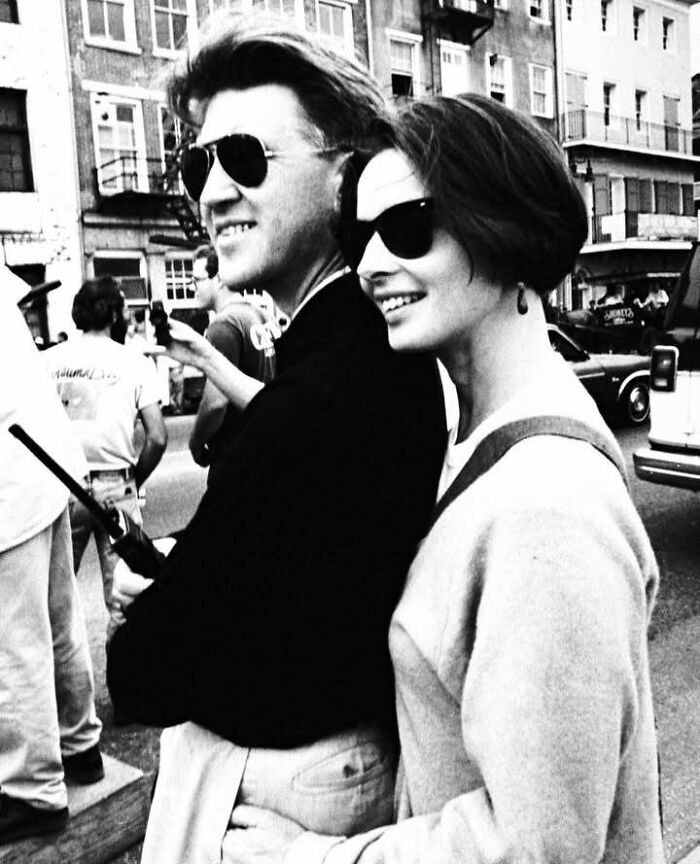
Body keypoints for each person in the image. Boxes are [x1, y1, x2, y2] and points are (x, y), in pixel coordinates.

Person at [228, 94, 664, 863]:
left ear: (510, 233)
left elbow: (541, 848)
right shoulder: (483, 428)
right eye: (361, 236)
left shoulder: (545, 507)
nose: (370, 265)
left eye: (408, 229)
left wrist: (308, 858)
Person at [105, 14, 447, 864]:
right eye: (198, 163)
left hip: (283, 786)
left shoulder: (321, 394)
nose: (212, 190)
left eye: (248, 159)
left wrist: (149, 610)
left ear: (347, 175)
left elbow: (147, 671)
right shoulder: (370, 347)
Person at [0, 267, 103, 845]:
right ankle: (80, 746)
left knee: (13, 644)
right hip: (40, 460)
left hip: (7, 478)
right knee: (59, 621)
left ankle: (31, 789)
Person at [44, 276, 167, 625]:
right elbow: (157, 437)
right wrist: (133, 482)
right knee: (126, 598)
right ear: (115, 315)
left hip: (62, 485)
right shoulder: (135, 362)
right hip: (117, 489)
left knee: (56, 601)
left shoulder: (48, 362)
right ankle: (124, 675)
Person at [188, 243, 276, 477]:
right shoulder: (261, 315)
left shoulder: (223, 325)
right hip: (266, 445)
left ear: (218, 279)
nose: (192, 287)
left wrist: (195, 443)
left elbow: (216, 403)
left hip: (235, 454)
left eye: (196, 279)